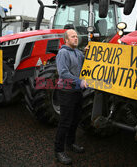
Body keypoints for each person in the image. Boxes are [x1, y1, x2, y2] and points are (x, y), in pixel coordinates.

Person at [54, 29, 88, 165]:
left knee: (75, 120)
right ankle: (58, 151)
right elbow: (63, 73)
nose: (76, 38)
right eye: (72, 37)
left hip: (77, 92)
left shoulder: (79, 53)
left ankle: (70, 143)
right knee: (65, 122)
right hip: (66, 92)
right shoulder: (63, 53)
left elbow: (87, 63)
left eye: (76, 36)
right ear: (66, 40)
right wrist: (80, 81)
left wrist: (88, 52)